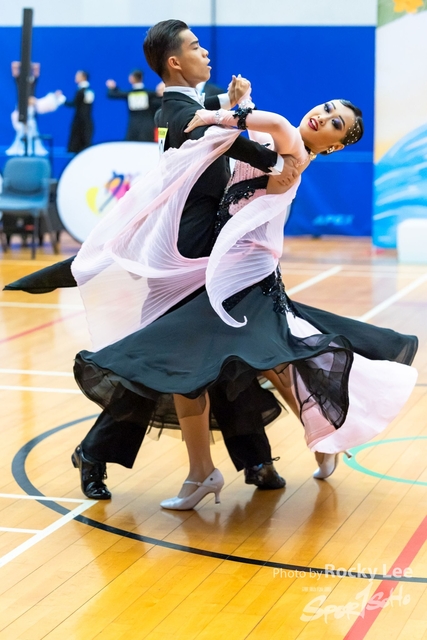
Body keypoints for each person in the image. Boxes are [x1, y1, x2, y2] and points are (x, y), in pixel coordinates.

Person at [69, 78, 417, 513]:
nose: (324, 116)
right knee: (265, 365)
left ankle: (223, 467)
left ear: (334, 146)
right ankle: (305, 446)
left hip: (241, 280)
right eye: (328, 107)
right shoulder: (270, 143)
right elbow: (247, 136)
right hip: (221, 272)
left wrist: (217, 113)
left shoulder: (291, 144)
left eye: (335, 123)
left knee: (213, 365)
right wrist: (238, 105)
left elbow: (268, 126)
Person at [5, 20, 300, 498]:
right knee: (160, 366)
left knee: (228, 360)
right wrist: (284, 159)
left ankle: (256, 461)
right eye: (196, 46)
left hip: (211, 254)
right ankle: (96, 453)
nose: (206, 52)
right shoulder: (178, 110)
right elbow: (225, 135)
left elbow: (219, 122)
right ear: (174, 62)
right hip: (183, 259)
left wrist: (234, 106)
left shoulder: (193, 105)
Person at [106, 69, 162, 142]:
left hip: (133, 127)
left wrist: (112, 88)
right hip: (147, 127)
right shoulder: (150, 94)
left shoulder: (129, 94)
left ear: (132, 78)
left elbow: (113, 94)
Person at [65, 70, 94, 153]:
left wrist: (62, 99)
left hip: (80, 123)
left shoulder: (82, 91)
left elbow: (74, 103)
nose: (76, 77)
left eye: (78, 76)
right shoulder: (87, 90)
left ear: (83, 77)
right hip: (85, 122)